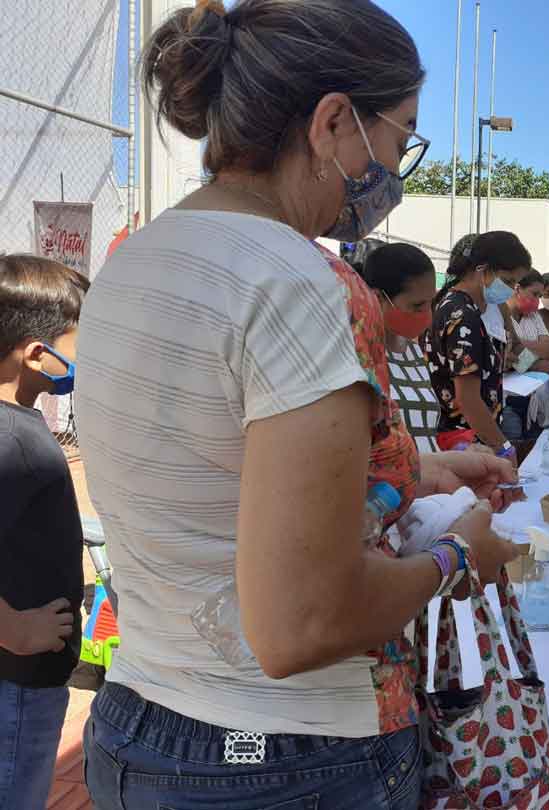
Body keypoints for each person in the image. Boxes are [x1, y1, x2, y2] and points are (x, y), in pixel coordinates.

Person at [76, 3, 521, 807]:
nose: (397, 165)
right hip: (286, 753)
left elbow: (222, 466)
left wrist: (421, 468)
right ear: (333, 123)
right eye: (401, 136)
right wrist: (459, 556)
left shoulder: (131, 263)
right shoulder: (301, 281)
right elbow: (303, 627)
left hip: (138, 722)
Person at [0, 255, 86, 810]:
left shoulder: (20, 427)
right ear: (37, 354)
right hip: (17, 690)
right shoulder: (14, 440)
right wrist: (12, 629)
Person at [425, 230, 532, 457]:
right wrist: (502, 446)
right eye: (508, 280)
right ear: (482, 269)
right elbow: (467, 398)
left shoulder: (458, 306)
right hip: (466, 440)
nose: (512, 289)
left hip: (475, 435)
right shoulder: (463, 315)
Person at [356, 242, 441, 453]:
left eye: (430, 304)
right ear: (377, 299)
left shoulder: (414, 353)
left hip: (430, 478)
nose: (427, 316)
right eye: (417, 306)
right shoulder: (359, 357)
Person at [504, 270, 549, 446]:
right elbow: (506, 356)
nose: (538, 301)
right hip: (508, 398)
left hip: (537, 398)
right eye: (534, 294)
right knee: (513, 450)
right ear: (517, 289)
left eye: (540, 295)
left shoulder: (534, 316)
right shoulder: (500, 315)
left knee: (536, 449)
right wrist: (534, 362)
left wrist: (519, 344)